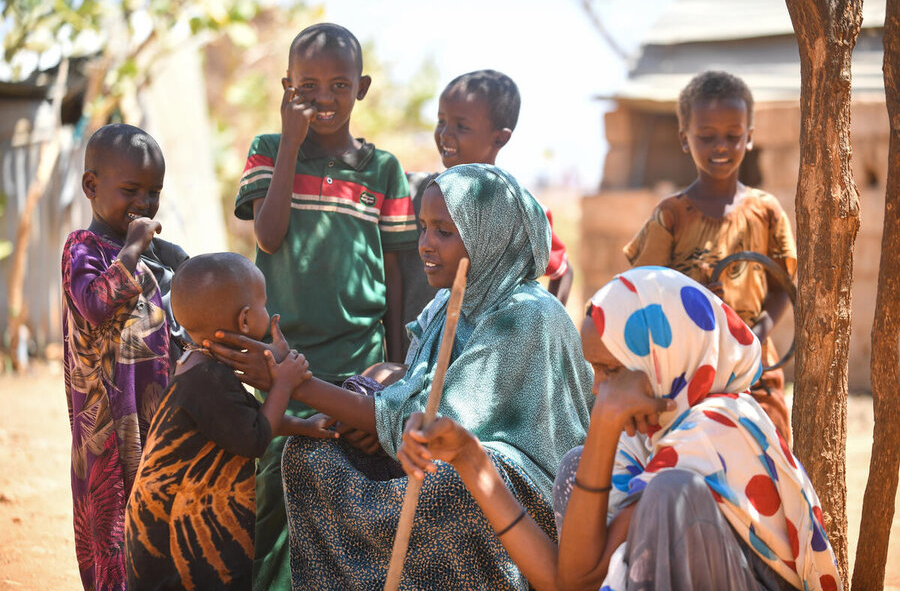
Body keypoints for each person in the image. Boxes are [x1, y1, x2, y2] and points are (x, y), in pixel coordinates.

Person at [209, 164, 593, 590]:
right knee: (308, 456)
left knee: (453, 488)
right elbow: (414, 394)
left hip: (516, 490)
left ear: (490, 236)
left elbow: (443, 424)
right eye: (422, 228)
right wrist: (377, 424)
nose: (425, 245)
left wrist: (293, 382)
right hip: (441, 451)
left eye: (444, 232)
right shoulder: (449, 304)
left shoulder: (525, 316)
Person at [399, 267, 841, 591]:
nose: (598, 388)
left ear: (662, 360)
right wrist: (469, 458)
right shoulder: (645, 441)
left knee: (670, 496)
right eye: (595, 370)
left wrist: (606, 423)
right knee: (580, 468)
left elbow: (580, 576)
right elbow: (566, 581)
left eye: (611, 370)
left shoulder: (718, 426)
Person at [232, 22, 418, 588]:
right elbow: (267, 235)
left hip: (358, 361)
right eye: (307, 86)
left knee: (345, 494)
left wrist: (398, 366)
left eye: (339, 85)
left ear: (360, 89)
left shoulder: (383, 170)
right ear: (287, 87)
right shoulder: (269, 150)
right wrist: (290, 142)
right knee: (273, 492)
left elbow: (396, 272)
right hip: (281, 357)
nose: (324, 98)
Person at [124, 253, 337, 590]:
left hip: (166, 528)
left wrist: (306, 426)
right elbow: (253, 438)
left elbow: (246, 419)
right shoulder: (208, 378)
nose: (269, 310)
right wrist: (284, 383)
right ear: (245, 320)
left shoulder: (197, 364)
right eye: (264, 303)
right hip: (178, 541)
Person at [624, 70, 796, 444]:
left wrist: (753, 337)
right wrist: (692, 299)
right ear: (685, 139)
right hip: (685, 371)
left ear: (749, 137)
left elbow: (783, 287)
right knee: (691, 457)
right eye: (707, 136)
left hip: (755, 370)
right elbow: (642, 288)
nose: (721, 146)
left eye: (733, 136)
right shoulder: (670, 216)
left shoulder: (766, 212)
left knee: (764, 455)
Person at [61, 123, 188, 591]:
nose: (145, 204)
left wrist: (171, 256)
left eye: (154, 193)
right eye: (131, 190)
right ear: (92, 187)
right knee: (113, 525)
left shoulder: (153, 257)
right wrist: (134, 249)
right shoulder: (83, 247)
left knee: (156, 519)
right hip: (107, 426)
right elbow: (95, 304)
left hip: (155, 416)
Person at [399, 70, 574, 355]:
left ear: (500, 138)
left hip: (479, 364)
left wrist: (541, 340)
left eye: (461, 126)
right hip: (416, 353)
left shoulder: (518, 210)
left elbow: (563, 272)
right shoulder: (414, 191)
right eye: (441, 121)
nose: (444, 134)